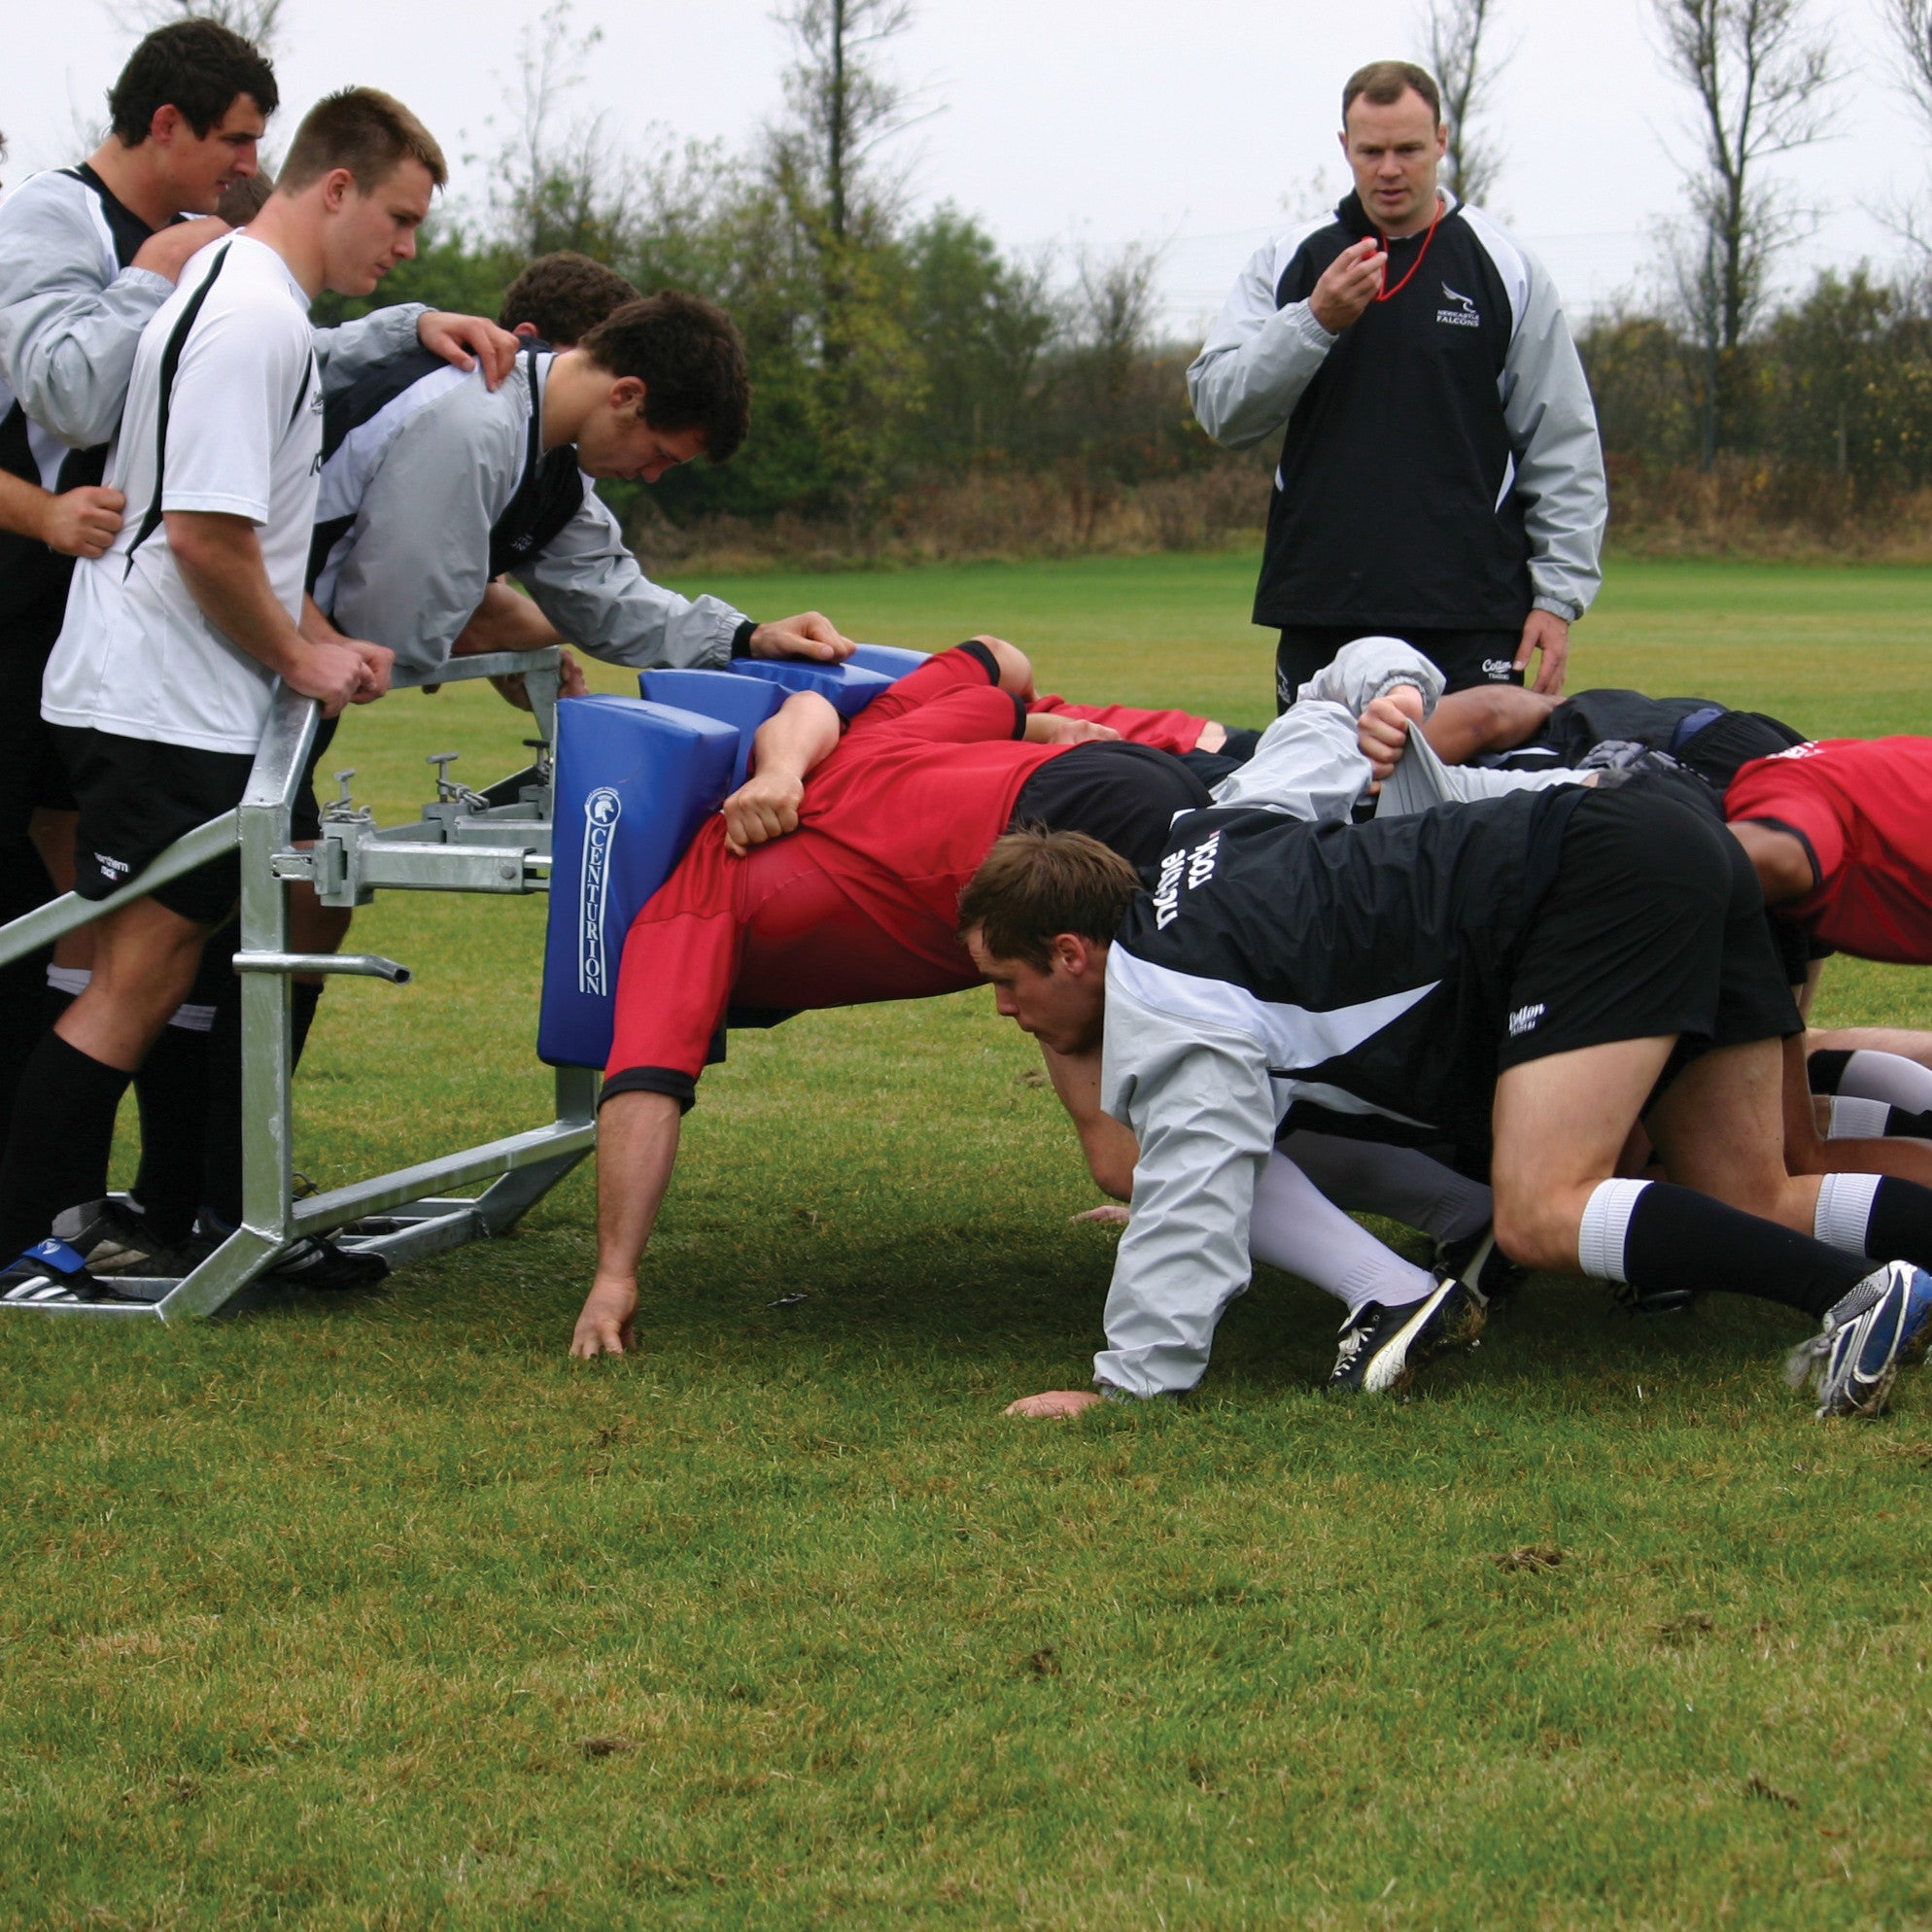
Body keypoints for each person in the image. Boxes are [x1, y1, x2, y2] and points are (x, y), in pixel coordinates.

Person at [0, 21, 515, 1271]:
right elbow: (204, 535)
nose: (401, 250)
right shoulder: (249, 319)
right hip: (157, 699)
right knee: (136, 972)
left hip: (176, 695)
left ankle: (180, 1213)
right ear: (331, 187)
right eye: (395, 220)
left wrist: (301, 631)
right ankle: (32, 1237)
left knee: (175, 971)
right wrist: (300, 652)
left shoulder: (242, 292)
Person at [957, 779, 1932, 1422]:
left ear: (1072, 953)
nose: (1005, 1008)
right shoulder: (1197, 837)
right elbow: (1321, 749)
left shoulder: (1168, 1000)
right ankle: (1884, 1279)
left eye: (1007, 980)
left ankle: (1853, 1296)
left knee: (1542, 1209)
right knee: (1746, 1189)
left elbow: (1195, 1181)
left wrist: (1130, 1385)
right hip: (1656, 833)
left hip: (1589, 881)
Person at [568, 638, 1283, 1357]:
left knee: (1127, 1158)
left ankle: (1340, 1228)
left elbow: (643, 1089)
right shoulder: (858, 742)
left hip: (1058, 853)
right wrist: (1034, 727)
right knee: (1290, 935)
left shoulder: (690, 900)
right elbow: (981, 666)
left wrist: (613, 1274)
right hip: (1126, 778)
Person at [1187, 59, 1605, 711]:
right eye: (1371, 150)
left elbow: (1563, 442)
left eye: (1408, 149)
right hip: (1324, 600)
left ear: (1440, 140)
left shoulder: (1505, 265)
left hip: (1469, 607)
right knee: (1325, 805)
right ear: (1344, 148)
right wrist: (1314, 321)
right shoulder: (1292, 259)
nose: (1389, 169)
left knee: (1471, 809)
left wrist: (1557, 596)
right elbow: (1221, 408)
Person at [308, 289, 854, 684]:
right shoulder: (478, 427)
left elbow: (602, 596)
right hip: (242, 674)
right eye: (660, 454)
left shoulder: (551, 458)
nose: (650, 475)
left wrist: (747, 637)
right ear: (626, 395)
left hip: (291, 675)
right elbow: (390, 630)